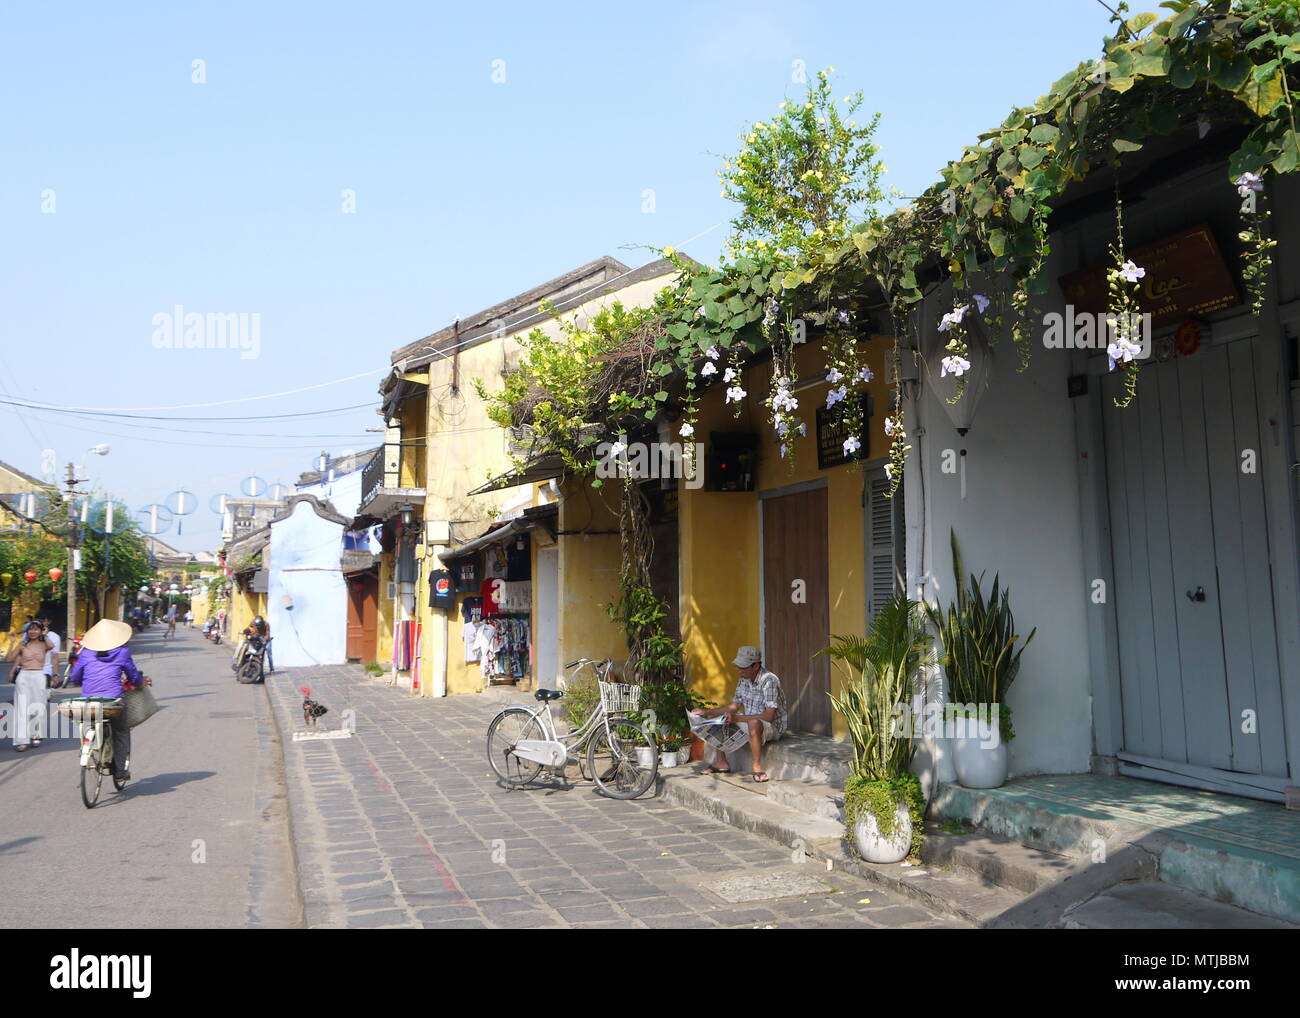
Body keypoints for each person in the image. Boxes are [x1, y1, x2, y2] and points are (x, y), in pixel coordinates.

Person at [67, 619, 151, 783]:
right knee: (121, 731)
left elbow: (75, 677)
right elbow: (133, 677)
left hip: (88, 702)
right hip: (113, 701)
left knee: (91, 722)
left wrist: (82, 682)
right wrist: (142, 682)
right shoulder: (122, 652)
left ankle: (93, 748)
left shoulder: (86, 653)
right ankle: (120, 772)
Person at [690, 645, 788, 782]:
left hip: (771, 726)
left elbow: (769, 716)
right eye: (738, 666)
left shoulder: (769, 680)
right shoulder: (744, 678)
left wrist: (738, 718)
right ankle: (721, 762)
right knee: (720, 718)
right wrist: (706, 712)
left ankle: (757, 767)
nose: (739, 670)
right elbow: (734, 706)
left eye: (743, 667)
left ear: (755, 666)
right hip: (748, 720)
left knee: (753, 723)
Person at [5, 620, 55, 751]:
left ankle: (36, 735)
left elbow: (51, 646)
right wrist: (11, 642)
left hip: (39, 676)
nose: (33, 632)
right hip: (24, 676)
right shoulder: (23, 644)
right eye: (30, 629)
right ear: (27, 631)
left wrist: (45, 634)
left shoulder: (44, 643)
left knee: (39, 707)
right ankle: (22, 741)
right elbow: (9, 659)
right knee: (22, 708)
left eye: (36, 629)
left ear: (40, 631)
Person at [37, 615, 61, 688]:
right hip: (26, 672)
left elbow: (54, 657)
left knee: (43, 698)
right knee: (23, 698)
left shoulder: (54, 637)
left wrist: (56, 675)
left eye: (43, 621)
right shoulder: (28, 634)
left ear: (49, 622)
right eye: (39, 621)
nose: (40, 623)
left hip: (45, 672)